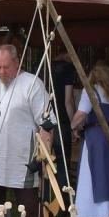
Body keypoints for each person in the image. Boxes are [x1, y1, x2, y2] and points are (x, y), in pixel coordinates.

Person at [0, 44, 53, 217]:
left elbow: (47, 124)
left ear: (17, 62)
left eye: (6, 67)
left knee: (29, 209)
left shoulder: (32, 84)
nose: (2, 72)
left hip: (22, 160)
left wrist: (43, 157)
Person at [71, 62, 109, 217]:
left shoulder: (90, 91)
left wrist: (72, 127)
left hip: (97, 139)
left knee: (94, 176)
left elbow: (81, 114)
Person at [50, 50, 77, 191]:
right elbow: (68, 101)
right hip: (61, 120)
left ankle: (46, 199)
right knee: (63, 162)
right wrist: (74, 125)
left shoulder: (43, 66)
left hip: (44, 119)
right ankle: (64, 198)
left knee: (45, 161)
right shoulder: (67, 68)